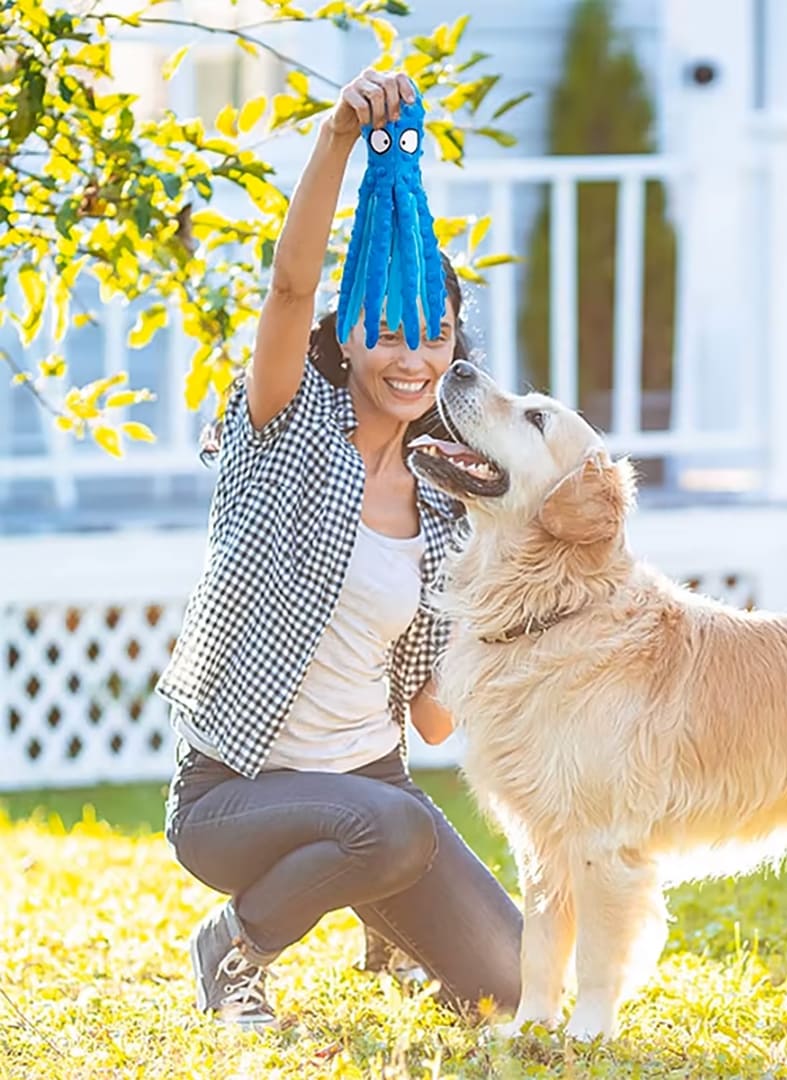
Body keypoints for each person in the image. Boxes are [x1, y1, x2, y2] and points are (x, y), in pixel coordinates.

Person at [158, 68, 522, 1028]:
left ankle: (385, 921)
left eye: (436, 337)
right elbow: (287, 288)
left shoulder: (447, 503)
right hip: (236, 795)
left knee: (514, 987)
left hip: (374, 789)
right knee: (394, 823)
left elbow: (438, 722)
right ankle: (235, 947)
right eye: (392, 332)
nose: (415, 358)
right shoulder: (286, 428)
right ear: (349, 335)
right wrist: (335, 140)